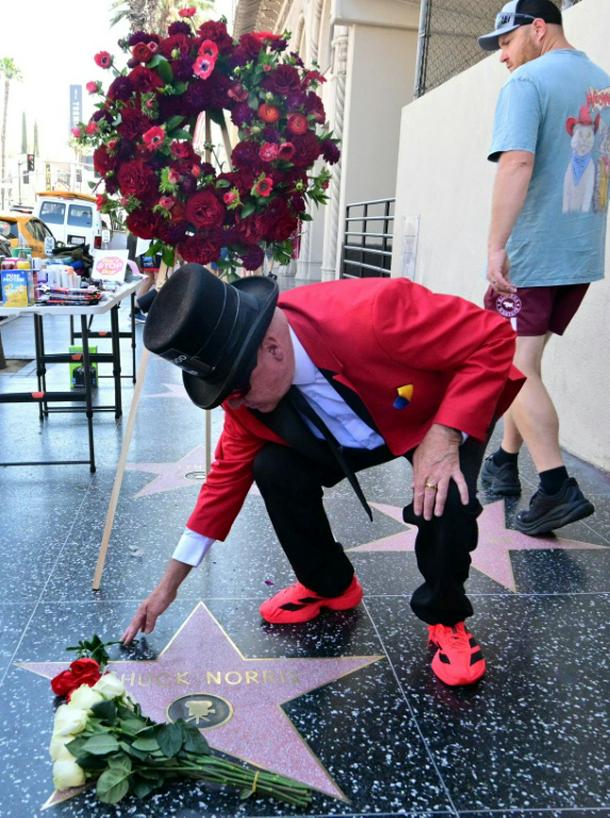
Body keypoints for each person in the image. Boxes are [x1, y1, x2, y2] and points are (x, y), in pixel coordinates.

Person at [122, 264, 523, 686]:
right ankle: (330, 585)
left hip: (431, 411)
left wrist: (445, 434)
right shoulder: (245, 401)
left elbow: (493, 337)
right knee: (272, 466)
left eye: (235, 390)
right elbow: (222, 485)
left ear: (273, 349)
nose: (234, 405)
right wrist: (168, 586)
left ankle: (447, 616)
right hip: (345, 435)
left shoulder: (375, 311)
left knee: (446, 494)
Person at [478, 0, 610, 535]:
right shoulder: (603, 84)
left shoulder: (527, 83)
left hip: (532, 255)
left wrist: (496, 246)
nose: (502, 56)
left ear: (538, 29)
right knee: (526, 360)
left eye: (507, 42)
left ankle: (555, 487)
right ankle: (505, 461)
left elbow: (517, 162)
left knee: (511, 363)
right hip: (580, 251)